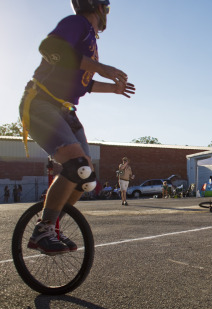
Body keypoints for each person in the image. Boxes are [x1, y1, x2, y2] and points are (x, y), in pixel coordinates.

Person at [20, 0, 135, 254]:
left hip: (65, 110)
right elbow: (48, 47)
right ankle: (44, 228)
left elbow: (85, 84)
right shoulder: (78, 24)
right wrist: (102, 68)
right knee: (78, 167)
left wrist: (113, 89)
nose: (107, 13)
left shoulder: (90, 42)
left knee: (88, 181)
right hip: (42, 102)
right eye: (106, 7)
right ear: (97, 6)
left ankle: (53, 226)